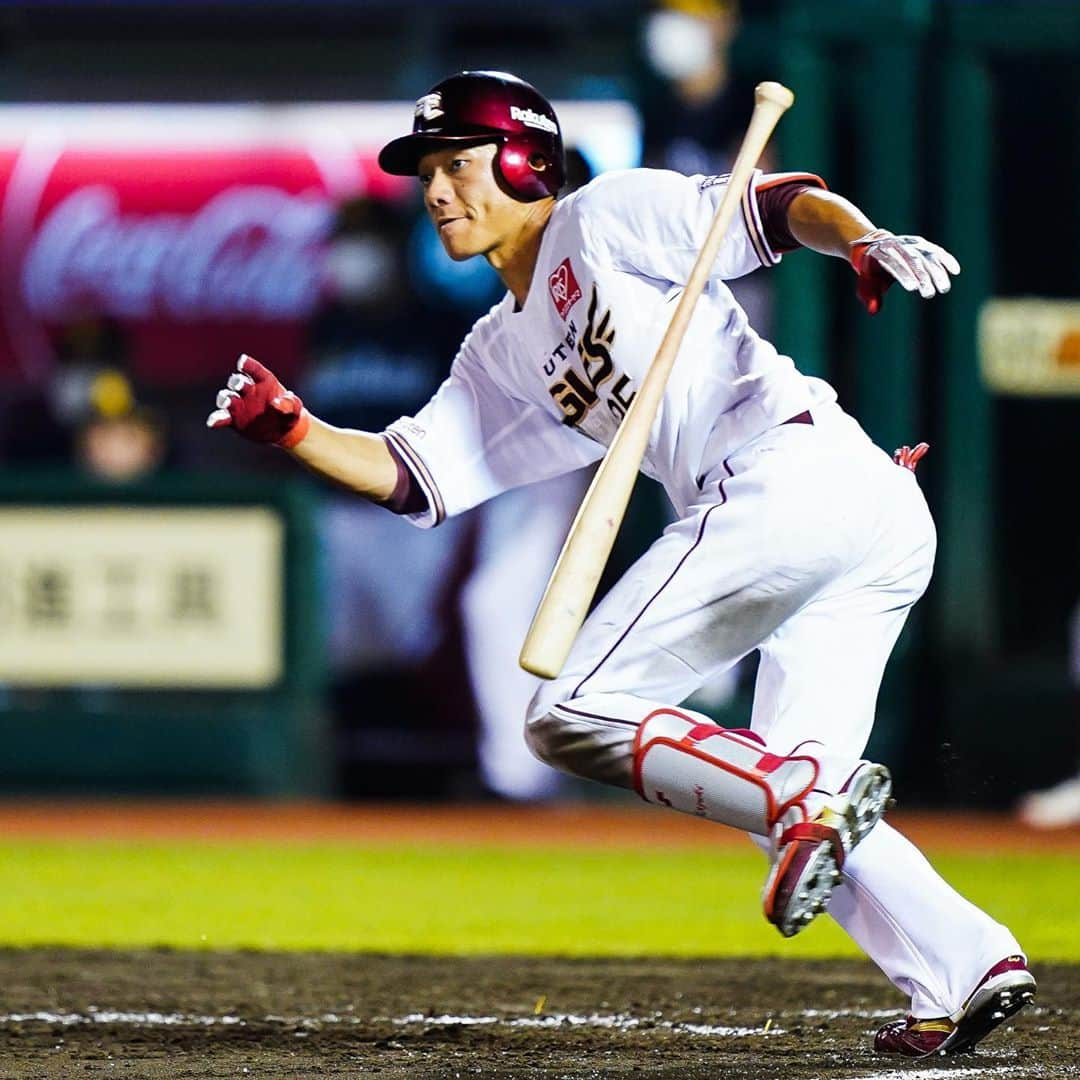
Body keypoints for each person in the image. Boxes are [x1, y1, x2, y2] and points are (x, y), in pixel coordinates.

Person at [208, 71, 1035, 1056]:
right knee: (791, 798)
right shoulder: (500, 352)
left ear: (526, 162)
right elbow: (412, 476)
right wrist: (296, 429)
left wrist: (853, 233)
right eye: (428, 171)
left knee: (569, 714)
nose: (436, 191)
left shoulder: (604, 217)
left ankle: (808, 798)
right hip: (842, 513)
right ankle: (963, 962)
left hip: (793, 481)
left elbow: (776, 205)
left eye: (459, 165)